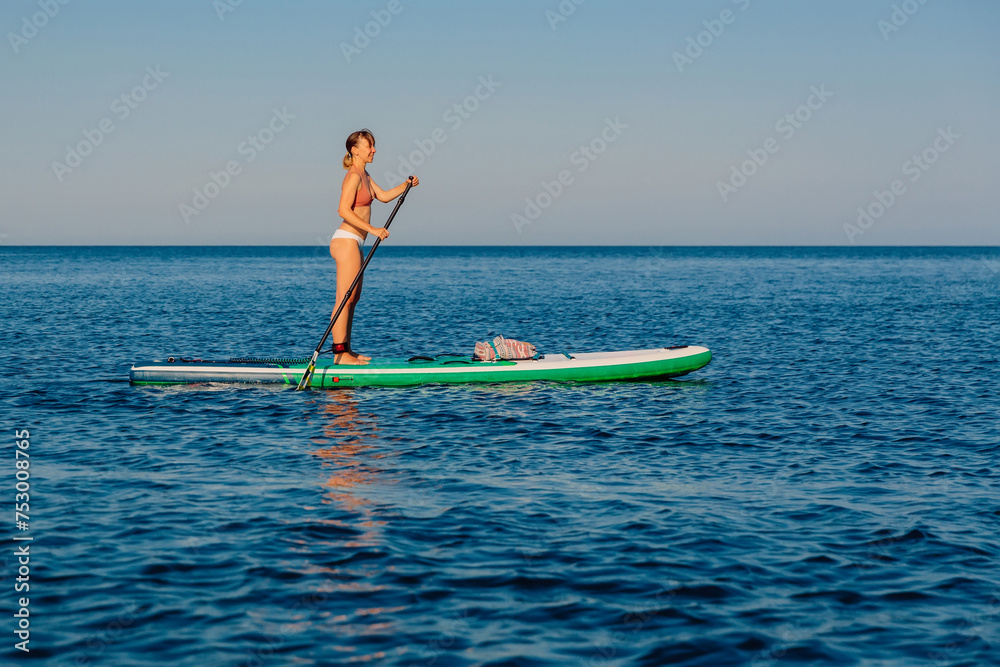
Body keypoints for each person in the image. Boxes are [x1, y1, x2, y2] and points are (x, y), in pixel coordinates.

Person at [329, 129, 418, 365]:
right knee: (344, 298)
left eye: (374, 145)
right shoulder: (353, 176)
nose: (374, 150)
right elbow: (343, 210)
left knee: (353, 298)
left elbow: (385, 196)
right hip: (346, 240)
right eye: (370, 146)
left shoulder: (365, 174)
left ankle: (346, 350)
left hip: (355, 242)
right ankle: (339, 354)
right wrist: (374, 230)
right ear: (354, 150)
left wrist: (406, 184)